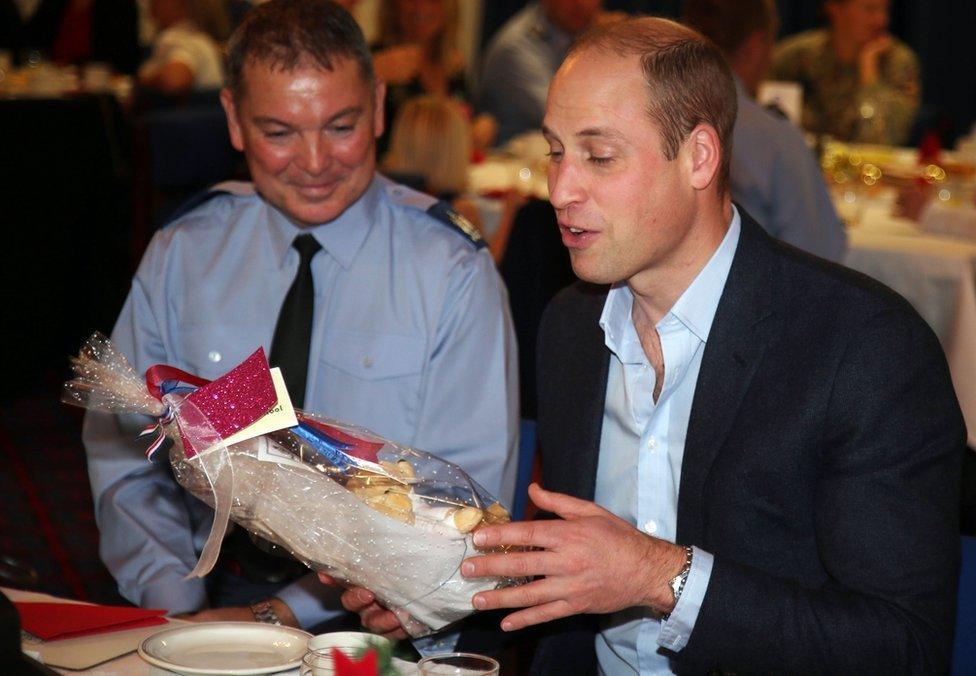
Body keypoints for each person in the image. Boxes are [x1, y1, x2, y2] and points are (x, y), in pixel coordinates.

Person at [341, 16, 964, 673]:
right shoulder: (573, 328)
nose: (559, 190)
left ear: (698, 156)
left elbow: (903, 648)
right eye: (555, 152)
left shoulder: (862, 349)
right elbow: (579, 590)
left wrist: (661, 576)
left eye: (599, 157)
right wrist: (440, 598)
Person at [84, 0, 518, 633]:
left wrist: (277, 614)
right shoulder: (185, 256)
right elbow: (124, 451)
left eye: (340, 126)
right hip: (204, 588)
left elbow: (463, 510)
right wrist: (174, 606)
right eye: (279, 132)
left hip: (380, 612)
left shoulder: (449, 272)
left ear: (377, 106)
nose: (314, 163)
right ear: (233, 119)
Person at [683, 0, 847, 262]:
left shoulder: (658, 120)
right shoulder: (772, 137)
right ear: (756, 46)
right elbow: (820, 252)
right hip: (755, 296)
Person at [770, 0, 920, 145]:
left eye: (885, 10)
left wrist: (868, 71)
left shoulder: (897, 62)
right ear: (835, 8)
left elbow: (879, 141)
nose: (881, 20)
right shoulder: (797, 57)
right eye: (870, 9)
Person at [479, 0, 621, 146]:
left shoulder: (582, 34)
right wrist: (603, 48)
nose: (581, 4)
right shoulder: (516, 47)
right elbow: (567, 118)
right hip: (516, 163)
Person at [372, 0, 495, 152]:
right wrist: (371, 75)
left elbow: (471, 117)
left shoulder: (453, 66)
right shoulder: (374, 63)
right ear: (393, 6)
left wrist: (481, 126)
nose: (420, 6)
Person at [138, 0, 228, 94]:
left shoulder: (179, 37)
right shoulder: (200, 37)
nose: (151, 3)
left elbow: (174, 79)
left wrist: (140, 82)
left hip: (187, 107)